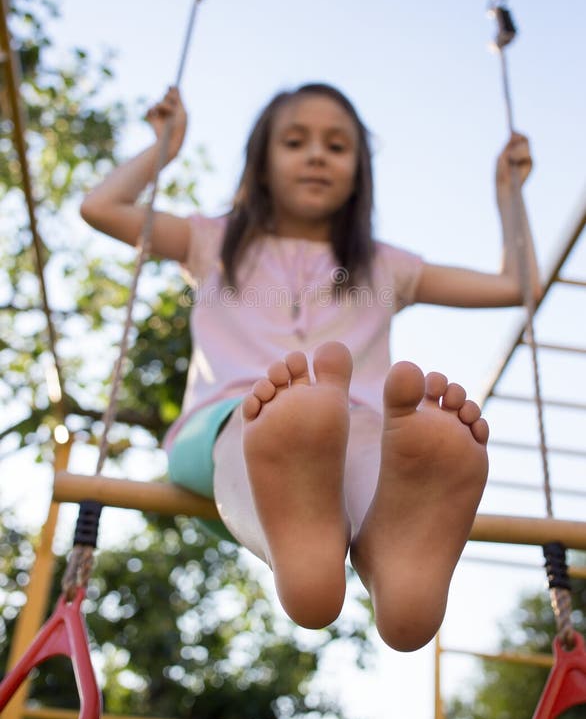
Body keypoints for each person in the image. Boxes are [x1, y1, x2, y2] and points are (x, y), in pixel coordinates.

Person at [81, 82, 540, 651]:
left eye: (337, 146)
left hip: (354, 423)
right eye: (296, 142)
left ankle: (386, 550)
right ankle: (298, 545)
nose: (317, 155)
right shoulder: (211, 240)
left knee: (374, 438)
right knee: (260, 431)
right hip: (222, 421)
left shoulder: (381, 265)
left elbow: (514, 286)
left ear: (358, 173)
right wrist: (165, 146)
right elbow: (101, 208)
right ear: (263, 164)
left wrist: (509, 194)